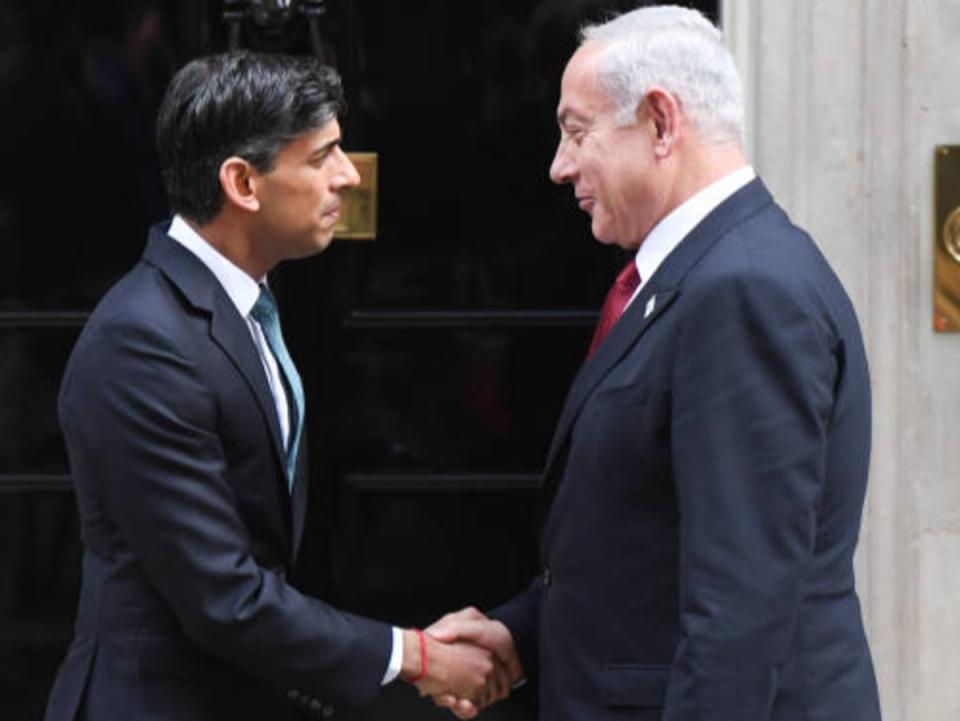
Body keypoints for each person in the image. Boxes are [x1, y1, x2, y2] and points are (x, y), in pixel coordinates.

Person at [427, 6, 883, 721]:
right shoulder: (702, 276)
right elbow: (649, 545)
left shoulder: (745, 290)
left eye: (577, 132)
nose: (559, 165)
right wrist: (524, 631)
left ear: (661, 122)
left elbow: (739, 610)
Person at [43, 51, 509, 721]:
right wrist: (417, 656)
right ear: (243, 182)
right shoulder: (142, 341)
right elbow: (222, 595)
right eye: (323, 157)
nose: (349, 177)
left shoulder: (241, 302)